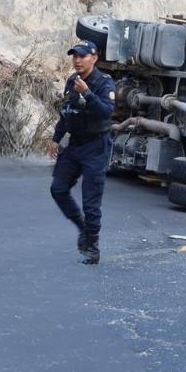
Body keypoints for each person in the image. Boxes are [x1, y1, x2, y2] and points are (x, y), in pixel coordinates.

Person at [48, 40, 115, 265]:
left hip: (95, 147)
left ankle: (92, 248)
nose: (77, 60)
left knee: (91, 201)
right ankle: (82, 228)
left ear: (94, 58)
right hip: (75, 145)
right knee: (58, 188)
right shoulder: (71, 81)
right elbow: (66, 111)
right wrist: (56, 138)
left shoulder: (103, 82)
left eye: (82, 56)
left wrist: (87, 93)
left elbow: (106, 113)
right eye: (74, 56)